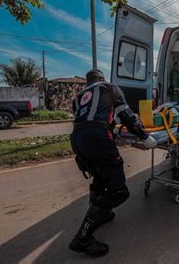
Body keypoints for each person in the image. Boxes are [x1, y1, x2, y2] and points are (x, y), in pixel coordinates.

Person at [69, 69, 157, 256]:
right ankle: (83, 237)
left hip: (77, 139)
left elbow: (87, 119)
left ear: (88, 81)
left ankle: (101, 213)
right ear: (101, 79)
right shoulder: (109, 87)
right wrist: (144, 135)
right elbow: (125, 114)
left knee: (100, 178)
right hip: (97, 138)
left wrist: (113, 131)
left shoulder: (79, 96)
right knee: (119, 192)